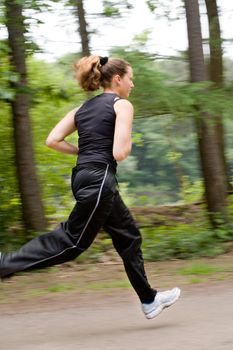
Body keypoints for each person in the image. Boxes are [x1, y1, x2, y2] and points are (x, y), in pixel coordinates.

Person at [0, 55, 180, 319]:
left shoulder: (81, 110)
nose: (132, 85)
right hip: (100, 180)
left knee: (128, 236)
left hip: (84, 177)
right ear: (117, 79)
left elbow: (52, 140)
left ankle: (149, 299)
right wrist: (119, 147)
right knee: (72, 242)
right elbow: (119, 152)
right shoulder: (122, 105)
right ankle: (4, 264)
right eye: (131, 79)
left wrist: (84, 152)